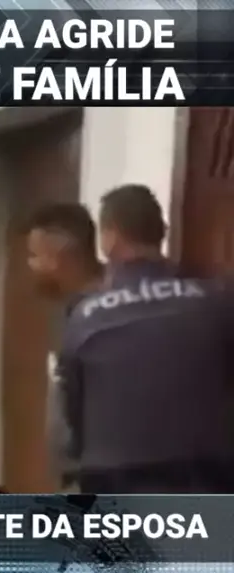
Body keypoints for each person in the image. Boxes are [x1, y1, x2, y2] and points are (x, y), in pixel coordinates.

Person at [60, 184, 234, 493]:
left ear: (109, 238)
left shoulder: (85, 317)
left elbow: (72, 408)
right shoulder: (216, 301)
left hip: (114, 480)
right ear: (162, 231)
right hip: (203, 477)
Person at [25, 203, 104, 487]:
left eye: (35, 256)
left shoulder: (102, 317)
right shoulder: (74, 312)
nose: (30, 266)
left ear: (60, 256)